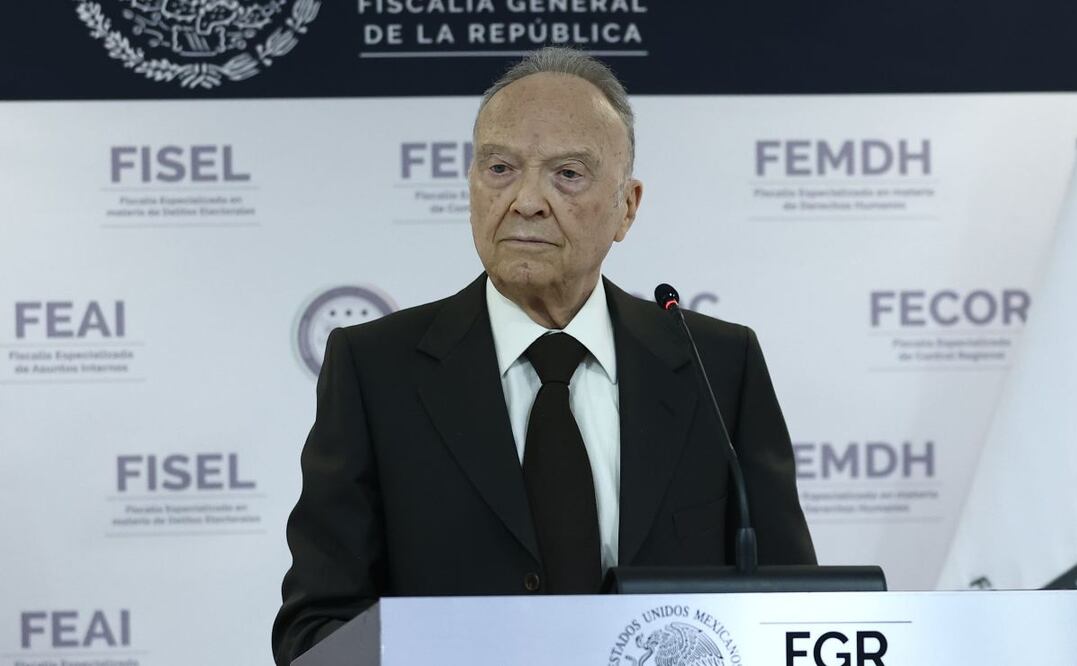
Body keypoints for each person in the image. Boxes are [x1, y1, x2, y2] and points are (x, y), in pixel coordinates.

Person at [272, 47, 814, 665]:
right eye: (500, 167)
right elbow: (315, 632)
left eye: (569, 174)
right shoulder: (374, 370)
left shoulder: (719, 367)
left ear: (627, 207)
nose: (526, 200)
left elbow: (793, 610)